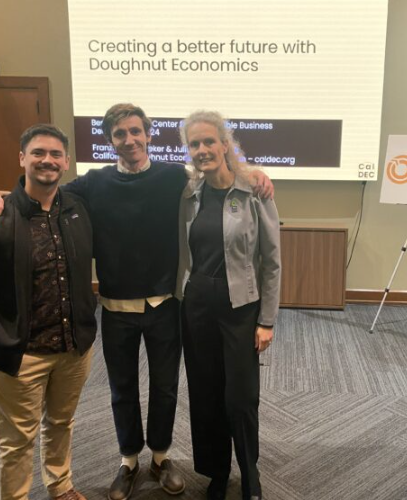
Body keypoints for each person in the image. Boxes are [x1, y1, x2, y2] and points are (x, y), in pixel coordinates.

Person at [0, 104, 274, 500]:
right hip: (115, 309)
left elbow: (216, 174)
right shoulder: (93, 184)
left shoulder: (171, 178)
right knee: (122, 389)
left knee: (165, 388)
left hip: (166, 306)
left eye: (135, 132)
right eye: (119, 134)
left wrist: (253, 173)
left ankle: (161, 458)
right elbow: (42, 189)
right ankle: (129, 460)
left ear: (148, 135)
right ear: (109, 140)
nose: (128, 140)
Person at [0, 124, 97, 500]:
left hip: (73, 348)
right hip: (21, 352)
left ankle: (60, 486)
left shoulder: (78, 209)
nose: (46, 160)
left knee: (62, 423)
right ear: (22, 159)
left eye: (54, 154)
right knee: (16, 441)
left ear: (66, 161)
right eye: (37, 153)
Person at [176, 111, 281, 500]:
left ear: (224, 143)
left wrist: (267, 320)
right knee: (204, 394)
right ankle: (216, 473)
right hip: (197, 303)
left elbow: (272, 262)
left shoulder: (255, 189)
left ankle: (249, 474)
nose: (202, 150)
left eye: (208, 141)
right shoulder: (188, 193)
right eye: (194, 144)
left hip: (241, 307)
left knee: (239, 398)